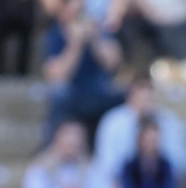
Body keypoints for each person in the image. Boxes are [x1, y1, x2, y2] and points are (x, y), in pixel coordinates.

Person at [40, 0, 124, 137]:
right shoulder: (53, 35)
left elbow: (113, 64)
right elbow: (56, 76)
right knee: (59, 92)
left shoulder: (99, 31)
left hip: (97, 92)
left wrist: (95, 39)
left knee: (121, 93)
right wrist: (75, 44)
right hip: (72, 95)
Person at [23, 119, 117, 188]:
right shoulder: (40, 167)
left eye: (76, 141)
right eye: (68, 140)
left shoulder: (92, 166)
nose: (72, 142)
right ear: (56, 140)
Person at [94, 74, 186, 178]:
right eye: (141, 89)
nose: (146, 95)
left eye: (150, 89)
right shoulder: (112, 122)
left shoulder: (169, 121)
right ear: (130, 93)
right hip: (121, 186)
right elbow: (106, 164)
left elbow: (181, 163)